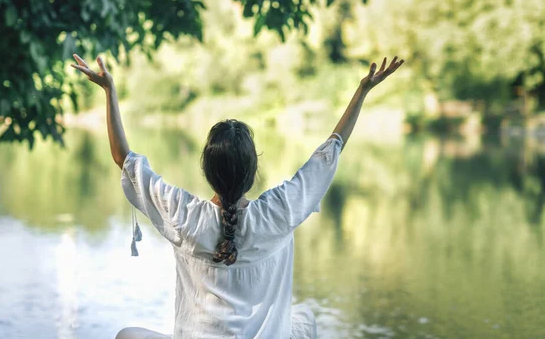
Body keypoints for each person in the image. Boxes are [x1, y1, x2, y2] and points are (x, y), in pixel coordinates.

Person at [71, 54, 405, 339]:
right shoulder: (280, 211)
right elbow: (331, 149)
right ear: (252, 170)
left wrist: (109, 90)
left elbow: (124, 159)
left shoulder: (183, 214)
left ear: (206, 169)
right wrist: (362, 91)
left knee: (125, 336)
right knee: (306, 319)